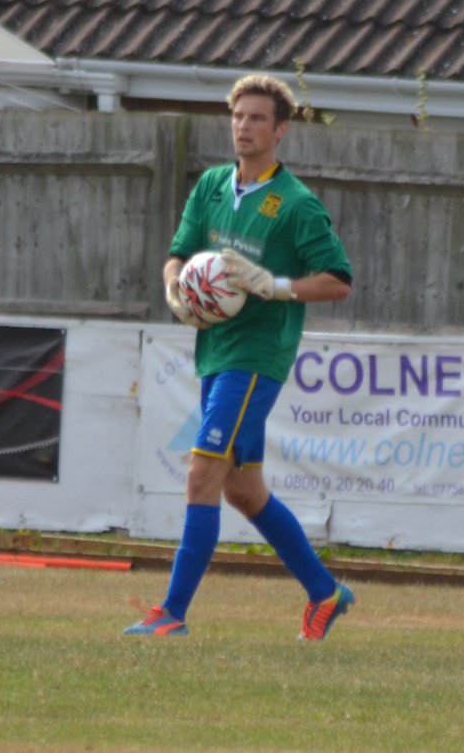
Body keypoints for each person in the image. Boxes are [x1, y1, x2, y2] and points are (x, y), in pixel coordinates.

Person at [125, 74, 355, 640]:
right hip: (215, 351)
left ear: (280, 131)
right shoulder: (210, 186)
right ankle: (325, 593)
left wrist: (276, 286)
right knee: (242, 490)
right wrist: (176, 288)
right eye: (238, 116)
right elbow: (178, 255)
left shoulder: (296, 205)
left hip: (255, 358)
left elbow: (339, 281)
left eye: (256, 118)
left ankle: (172, 614)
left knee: (202, 473)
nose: (244, 126)